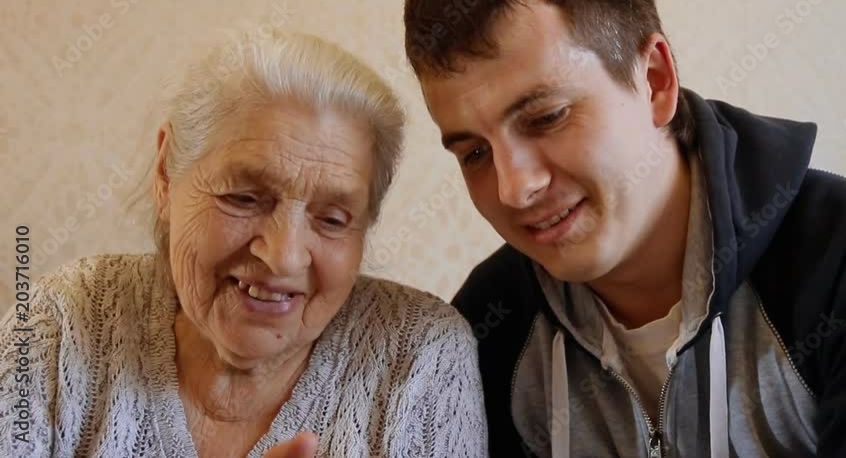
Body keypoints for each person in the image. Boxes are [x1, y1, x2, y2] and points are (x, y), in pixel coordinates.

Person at [402, 0, 846, 458]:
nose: (515, 188)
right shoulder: (489, 326)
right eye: (474, 152)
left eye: (547, 117)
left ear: (655, 81)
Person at [0, 30, 487, 457]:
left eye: (332, 219)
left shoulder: (420, 355)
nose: (284, 256)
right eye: (244, 198)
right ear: (166, 174)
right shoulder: (61, 321)